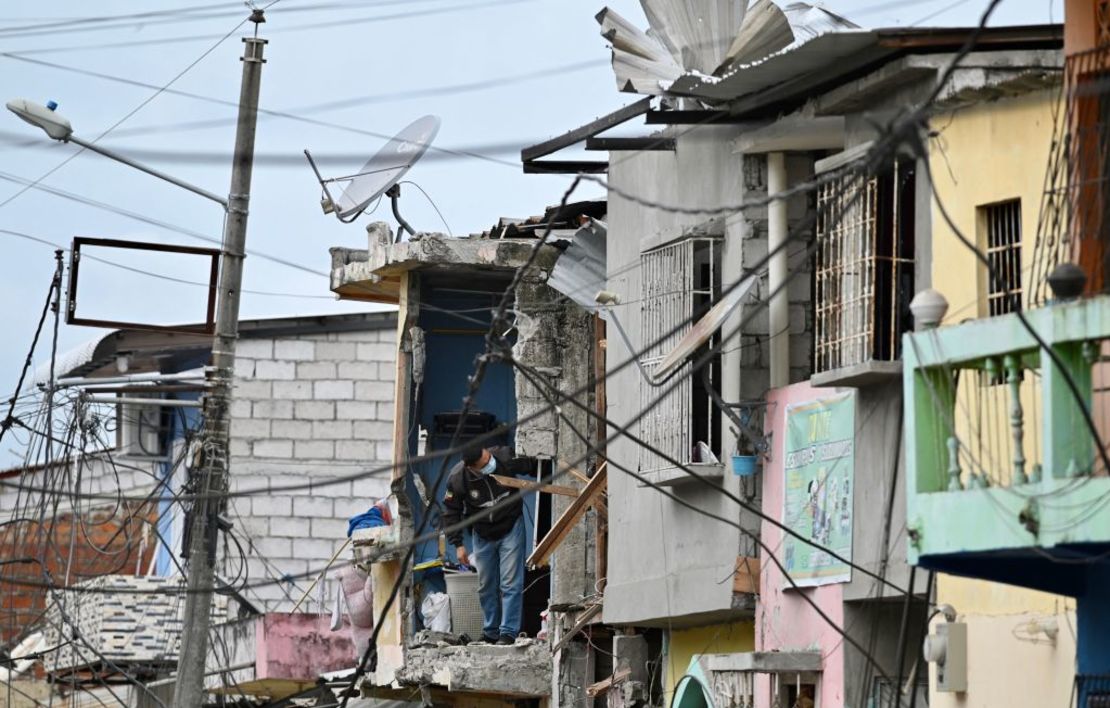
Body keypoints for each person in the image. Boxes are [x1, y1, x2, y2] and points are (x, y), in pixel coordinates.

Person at [442, 444, 526, 645]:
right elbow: (451, 512)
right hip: (482, 533)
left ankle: (508, 632)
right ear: (472, 468)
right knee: (486, 585)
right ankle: (491, 631)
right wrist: (458, 544)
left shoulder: (505, 457)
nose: (490, 463)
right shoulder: (458, 478)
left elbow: (533, 462)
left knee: (510, 583)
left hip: (510, 525)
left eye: (488, 458)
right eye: (484, 464)